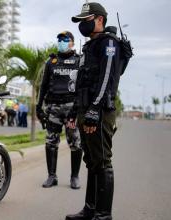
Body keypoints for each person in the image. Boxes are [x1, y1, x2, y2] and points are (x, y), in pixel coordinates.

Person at [66, 2, 123, 220]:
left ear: (99, 19)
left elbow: (106, 79)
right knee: (91, 161)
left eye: (86, 20)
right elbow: (82, 83)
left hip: (98, 112)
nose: (82, 25)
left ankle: (103, 214)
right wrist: (74, 110)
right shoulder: (90, 46)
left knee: (102, 161)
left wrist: (93, 111)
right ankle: (90, 209)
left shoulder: (109, 43)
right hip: (85, 109)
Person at [36, 31, 82, 189]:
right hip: (53, 108)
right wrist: (38, 106)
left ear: (72, 43)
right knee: (51, 142)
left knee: (75, 142)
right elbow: (43, 86)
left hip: (72, 109)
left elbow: (82, 87)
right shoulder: (51, 62)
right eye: (59, 39)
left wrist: (78, 109)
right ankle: (51, 176)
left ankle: (74, 177)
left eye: (65, 39)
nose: (61, 42)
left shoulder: (79, 61)